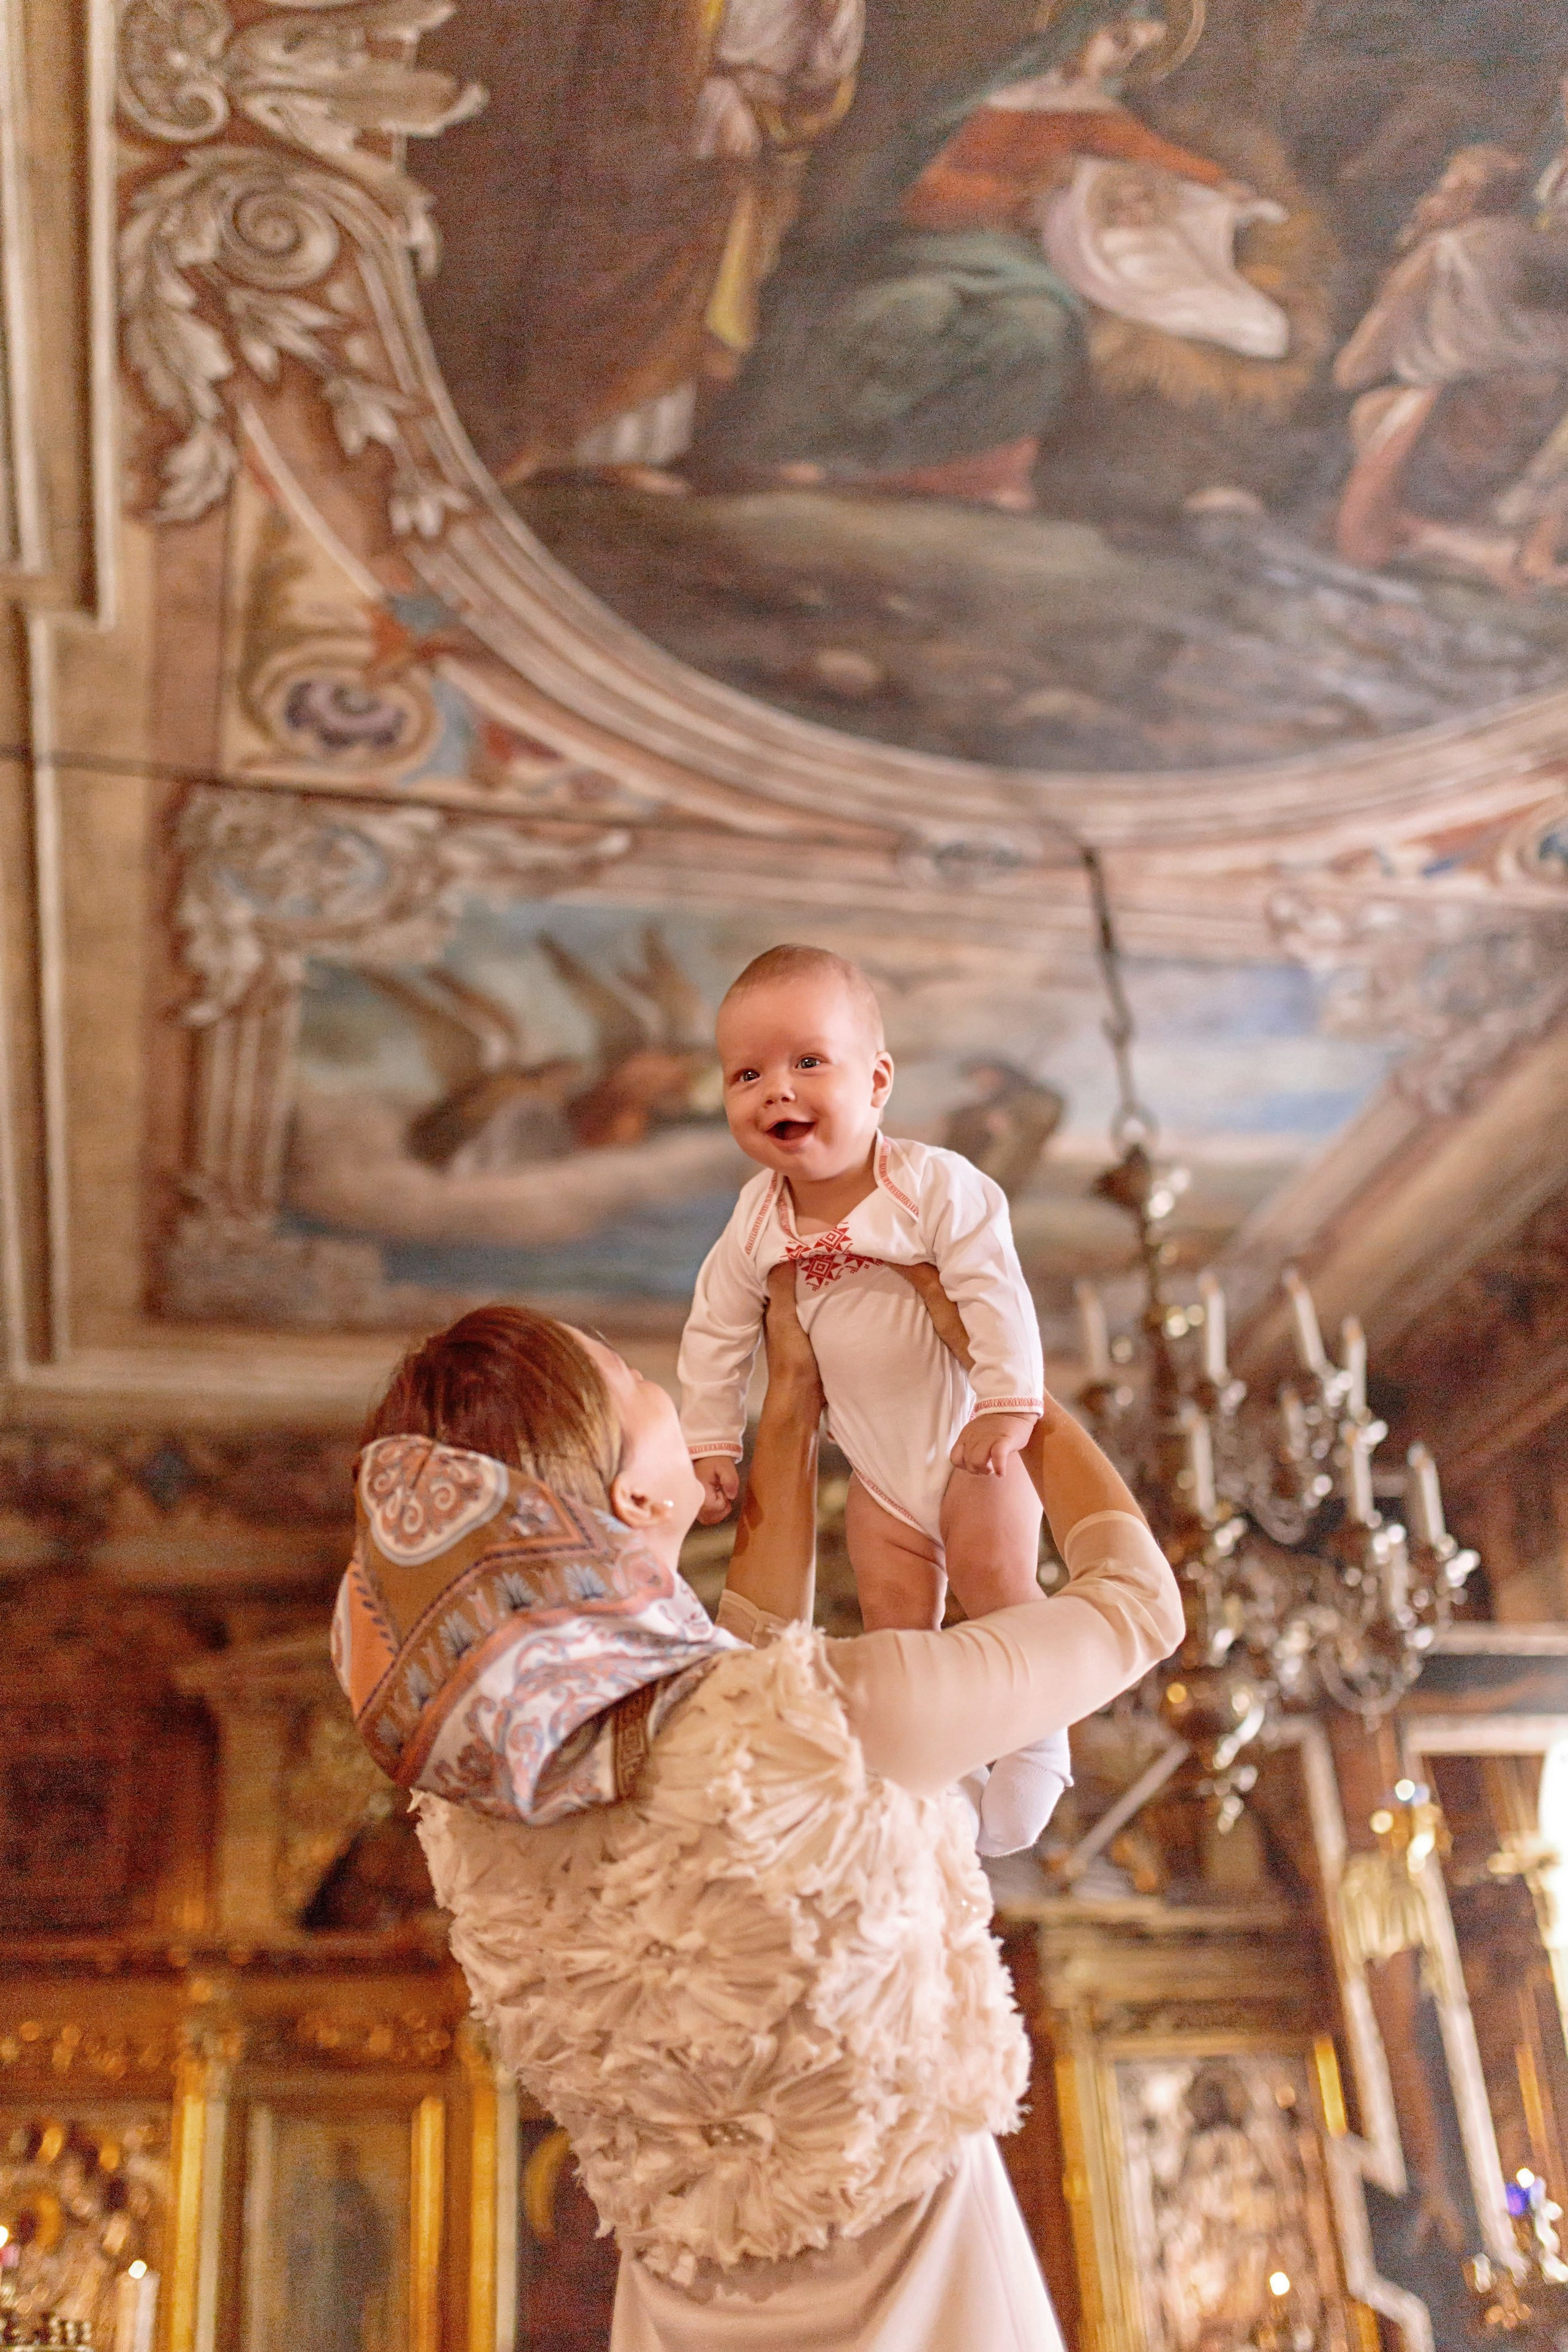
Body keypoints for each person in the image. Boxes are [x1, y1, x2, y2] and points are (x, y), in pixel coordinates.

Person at [333, 1269, 1181, 2348]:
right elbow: (1138, 1607)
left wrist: (788, 1408)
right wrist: (1013, 1387)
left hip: (682, 2318)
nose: (665, 1392)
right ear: (638, 1503)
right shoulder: (835, 1719)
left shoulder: (477, 1809)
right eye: (637, 1382)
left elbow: (725, 1686)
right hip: (930, 2300)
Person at [679, 943, 1068, 1858]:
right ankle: (943, 1770)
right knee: (897, 1621)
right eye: (747, 1073)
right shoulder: (755, 1219)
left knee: (998, 1587)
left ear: (878, 1080)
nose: (777, 1088)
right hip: (880, 1476)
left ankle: (1039, 1748)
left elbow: (991, 1285)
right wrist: (710, 1444)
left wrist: (1009, 1400)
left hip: (970, 1443)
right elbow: (716, 1331)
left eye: (808, 1061)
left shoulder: (934, 1185)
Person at [697, 0, 1235, 508]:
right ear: (1082, 22)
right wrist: (1028, 190)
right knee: (907, 310)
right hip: (909, 250)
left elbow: (1169, 163)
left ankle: (893, 465)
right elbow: (921, 194)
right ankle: (786, 446)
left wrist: (1224, 188)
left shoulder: (1098, 116)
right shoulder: (982, 96)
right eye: (1119, 38)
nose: (1126, 59)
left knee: (1037, 329)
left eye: (1139, 50)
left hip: (1017, 269)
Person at [1332, 143, 1568, 580]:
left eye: (1445, 191)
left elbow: (1354, 370)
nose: (1427, 203)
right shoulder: (1504, 248)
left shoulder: (1461, 252)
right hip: (1482, 438)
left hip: (1460, 437)